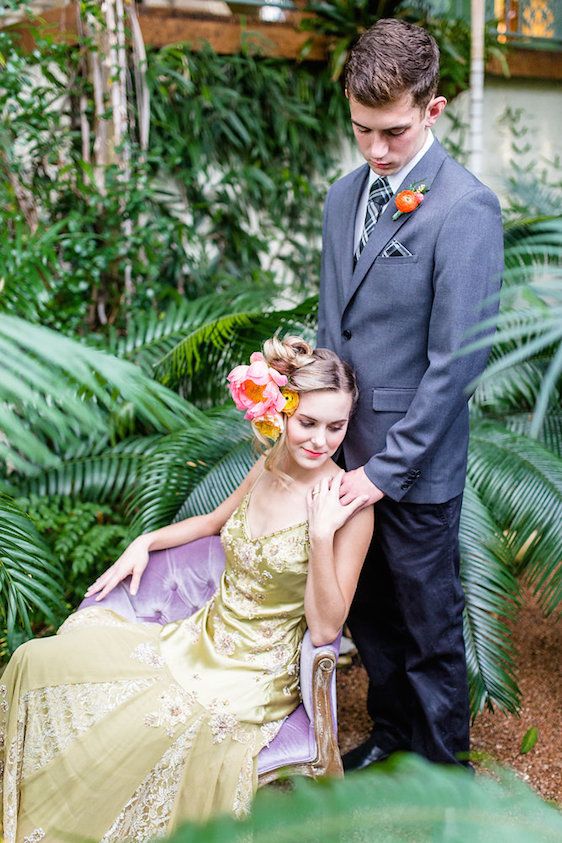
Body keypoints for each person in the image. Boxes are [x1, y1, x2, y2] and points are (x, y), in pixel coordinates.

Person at [0, 336, 373, 842]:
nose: (320, 441)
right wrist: (144, 541)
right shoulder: (269, 465)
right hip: (200, 636)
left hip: (257, 671)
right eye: (307, 423)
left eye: (337, 426)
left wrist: (321, 534)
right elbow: (213, 522)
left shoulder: (351, 505)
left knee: (148, 727)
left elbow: (327, 626)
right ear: (280, 413)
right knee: (41, 661)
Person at [318, 19, 504, 769]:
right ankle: (393, 735)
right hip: (339, 457)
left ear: (434, 108)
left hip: (415, 469)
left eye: (392, 131)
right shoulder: (340, 199)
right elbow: (340, 318)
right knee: (374, 619)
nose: (376, 150)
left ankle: (441, 774)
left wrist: (382, 473)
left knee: (428, 627)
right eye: (362, 129)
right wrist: (303, 381)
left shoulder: (465, 208)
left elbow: (457, 363)